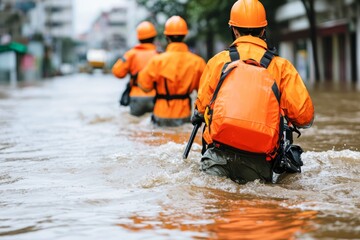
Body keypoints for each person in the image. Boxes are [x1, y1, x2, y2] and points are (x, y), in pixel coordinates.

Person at [191, 0, 314, 184]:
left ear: (233, 29)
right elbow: (304, 118)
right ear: (263, 30)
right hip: (258, 163)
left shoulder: (218, 62)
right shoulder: (281, 67)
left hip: (217, 155)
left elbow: (201, 108)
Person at [137, 16, 206, 127]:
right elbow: (205, 93)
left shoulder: (157, 61)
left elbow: (144, 86)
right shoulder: (198, 62)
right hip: (184, 113)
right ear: (185, 35)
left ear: (167, 37)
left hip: (161, 113)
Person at [112, 21, 159, 116]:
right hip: (156, 96)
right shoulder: (159, 55)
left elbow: (117, 72)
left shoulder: (131, 54)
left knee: (135, 127)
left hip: (136, 96)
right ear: (154, 37)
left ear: (138, 38)